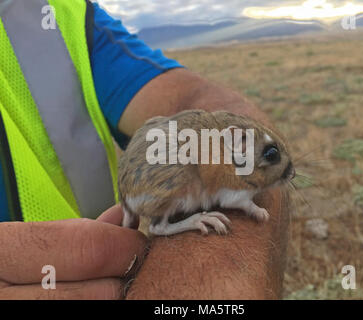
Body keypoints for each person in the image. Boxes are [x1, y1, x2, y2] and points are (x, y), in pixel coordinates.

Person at [0, 0, 289, 299]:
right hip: (138, 216)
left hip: (114, 245)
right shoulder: (223, 169)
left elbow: (192, 94)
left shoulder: (60, 12)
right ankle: (164, 225)